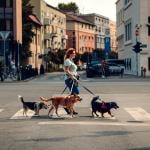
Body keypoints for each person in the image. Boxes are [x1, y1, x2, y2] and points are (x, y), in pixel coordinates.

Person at [63, 48, 80, 115]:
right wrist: (72, 76)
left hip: (73, 79)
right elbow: (66, 70)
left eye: (74, 53)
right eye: (73, 53)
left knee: (73, 95)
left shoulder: (71, 60)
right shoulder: (67, 61)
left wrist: (76, 77)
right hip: (69, 79)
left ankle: (70, 108)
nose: (75, 54)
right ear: (70, 54)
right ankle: (67, 106)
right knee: (76, 93)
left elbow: (73, 70)